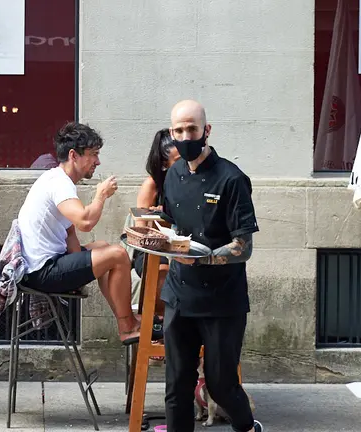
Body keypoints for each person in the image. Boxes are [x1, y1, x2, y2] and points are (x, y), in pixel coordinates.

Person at [160, 100, 263, 432]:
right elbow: (171, 225)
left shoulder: (231, 179)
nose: (185, 136)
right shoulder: (173, 175)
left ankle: (247, 427)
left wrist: (202, 258)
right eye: (178, 130)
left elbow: (243, 247)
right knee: (177, 386)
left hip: (222, 300)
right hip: (179, 295)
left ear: (207, 130)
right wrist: (154, 240)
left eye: (192, 129)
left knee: (221, 385)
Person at [18, 122, 140, 342]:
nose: (98, 161)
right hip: (42, 272)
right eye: (93, 154)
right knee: (118, 254)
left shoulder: (57, 180)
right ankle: (127, 326)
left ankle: (125, 319)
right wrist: (100, 195)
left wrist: (79, 275)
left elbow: (70, 233)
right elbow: (85, 221)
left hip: (45, 265)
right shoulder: (59, 183)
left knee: (103, 247)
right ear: (73, 155)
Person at [132, 129, 180, 314]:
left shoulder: (191, 182)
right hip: (152, 248)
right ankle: (159, 322)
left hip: (184, 245)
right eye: (178, 161)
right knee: (161, 272)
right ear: (164, 164)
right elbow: (140, 230)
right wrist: (160, 216)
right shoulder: (152, 185)